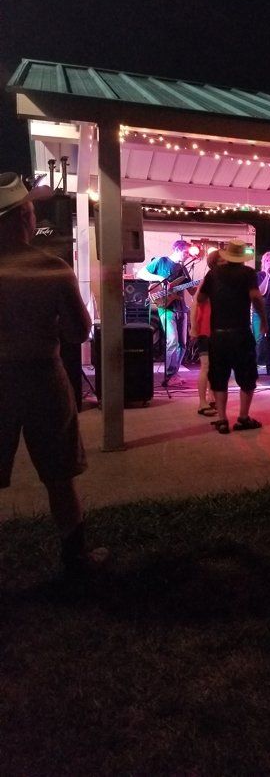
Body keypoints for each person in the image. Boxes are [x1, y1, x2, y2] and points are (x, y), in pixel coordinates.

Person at [0, 172, 107, 576]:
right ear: (23, 218)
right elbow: (80, 331)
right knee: (59, 476)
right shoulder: (52, 268)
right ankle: (75, 558)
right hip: (42, 377)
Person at [196, 238, 267, 434]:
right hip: (241, 332)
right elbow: (256, 297)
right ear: (242, 257)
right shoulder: (248, 273)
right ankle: (243, 418)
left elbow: (200, 298)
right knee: (247, 376)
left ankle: (222, 419)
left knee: (219, 377)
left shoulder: (213, 274)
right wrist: (264, 320)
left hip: (218, 334)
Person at [137, 239, 197, 386]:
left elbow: (191, 290)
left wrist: (200, 284)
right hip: (166, 308)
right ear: (177, 249)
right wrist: (160, 278)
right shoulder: (161, 261)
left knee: (183, 344)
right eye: (185, 252)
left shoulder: (183, 269)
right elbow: (141, 273)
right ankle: (169, 376)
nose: (187, 256)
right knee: (172, 341)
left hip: (181, 308)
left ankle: (174, 374)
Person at [189, 248, 221, 417]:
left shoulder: (223, 280)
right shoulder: (208, 280)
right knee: (206, 365)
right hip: (205, 329)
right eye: (223, 260)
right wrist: (194, 327)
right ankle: (202, 402)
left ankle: (211, 397)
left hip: (218, 329)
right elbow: (195, 303)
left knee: (216, 366)